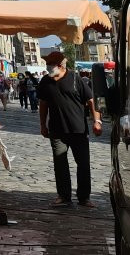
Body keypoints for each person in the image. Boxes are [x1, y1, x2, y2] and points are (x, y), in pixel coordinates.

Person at [37, 51, 102, 208]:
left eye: (50, 65)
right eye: (47, 65)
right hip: (57, 131)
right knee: (60, 164)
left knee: (83, 164)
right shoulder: (45, 82)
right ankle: (64, 196)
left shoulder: (75, 79)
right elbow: (43, 105)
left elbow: (91, 100)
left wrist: (97, 121)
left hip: (78, 130)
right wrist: (43, 125)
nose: (48, 67)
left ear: (60, 66)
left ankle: (84, 197)